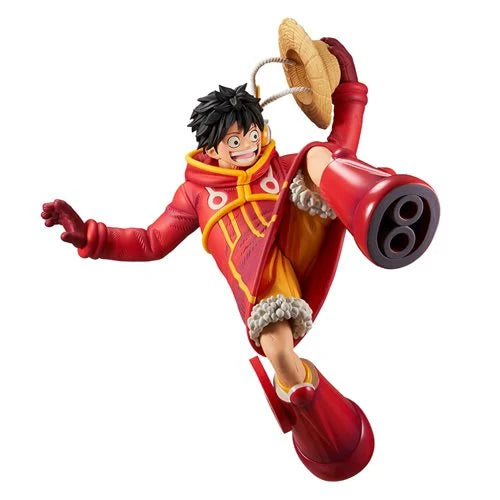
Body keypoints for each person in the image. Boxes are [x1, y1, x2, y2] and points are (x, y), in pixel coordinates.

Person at [41, 38, 438, 481]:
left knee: (317, 156)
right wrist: (91, 236)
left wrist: (349, 91)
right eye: (235, 140)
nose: (248, 145)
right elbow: (151, 241)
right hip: (265, 283)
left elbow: (341, 146)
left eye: (253, 134)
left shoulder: (278, 167)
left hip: (302, 237)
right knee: (281, 357)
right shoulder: (195, 195)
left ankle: (373, 208)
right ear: (212, 149)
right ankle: (327, 429)